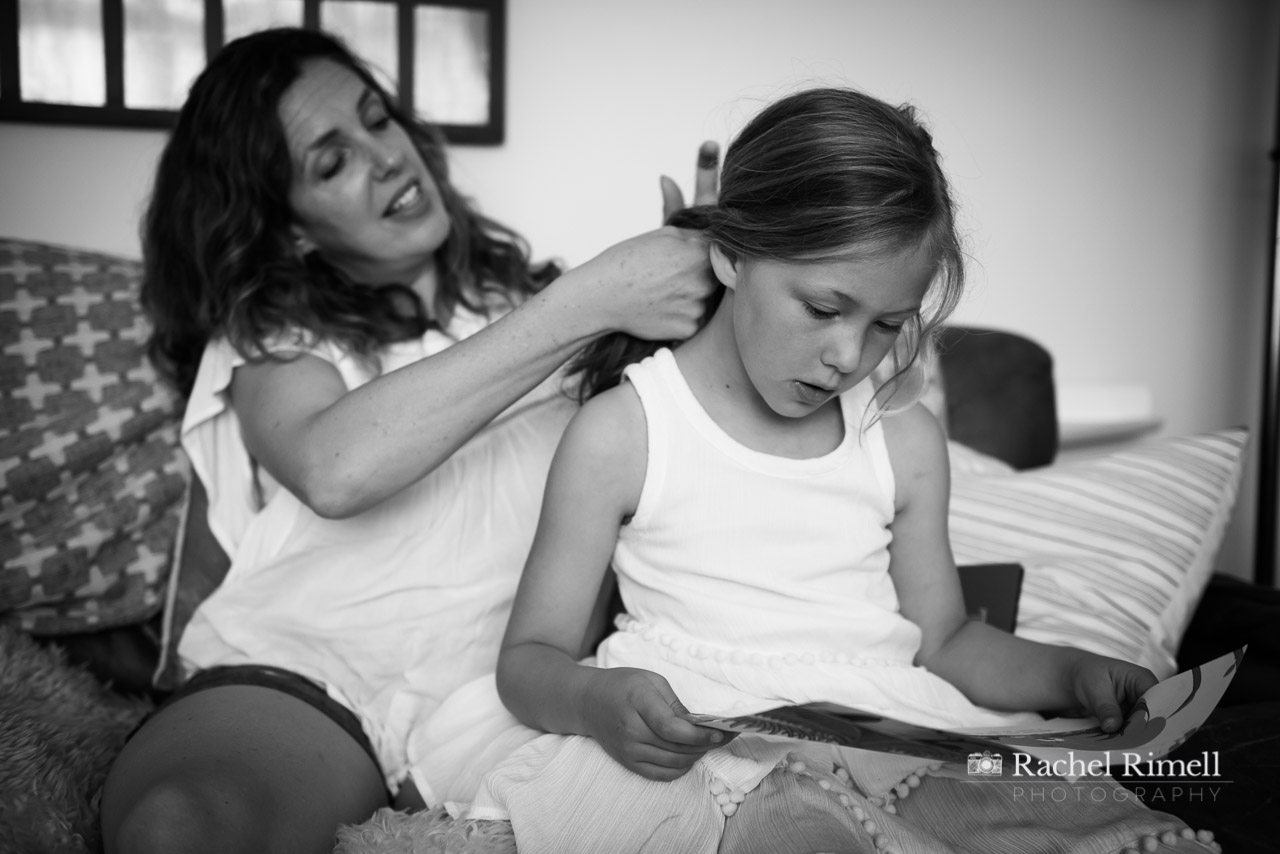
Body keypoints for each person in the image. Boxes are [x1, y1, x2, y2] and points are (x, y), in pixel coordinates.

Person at [460, 87, 1224, 853]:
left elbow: (947, 640)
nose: (849, 358)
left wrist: (1073, 675)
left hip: (890, 730)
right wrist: (596, 700)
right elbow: (530, 661)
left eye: (887, 324)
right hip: (714, 750)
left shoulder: (901, 437)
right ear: (730, 253)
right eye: (825, 309)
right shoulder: (625, 432)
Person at [99, 26, 720, 854]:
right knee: (178, 830)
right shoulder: (272, 336)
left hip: (517, 694)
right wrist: (590, 301)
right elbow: (335, 468)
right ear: (290, 231)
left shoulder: (542, 304)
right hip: (308, 675)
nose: (387, 157)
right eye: (333, 160)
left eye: (378, 120)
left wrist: (713, 306)